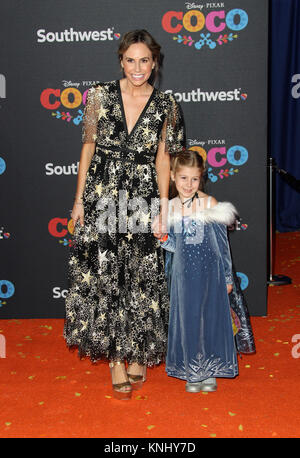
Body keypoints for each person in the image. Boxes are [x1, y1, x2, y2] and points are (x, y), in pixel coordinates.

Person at [64, 29, 185, 400]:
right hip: (102, 195)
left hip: (143, 198)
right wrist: (79, 200)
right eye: (130, 60)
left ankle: (137, 351)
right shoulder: (98, 95)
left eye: (144, 60)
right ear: (121, 60)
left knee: (139, 277)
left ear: (155, 63)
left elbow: (165, 159)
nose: (137, 67)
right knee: (107, 275)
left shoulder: (168, 104)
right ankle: (117, 358)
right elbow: (88, 148)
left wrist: (163, 207)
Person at [154, 149, 254, 392]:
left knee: (209, 320)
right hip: (183, 276)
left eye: (195, 179)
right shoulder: (171, 208)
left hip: (211, 273)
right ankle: (192, 370)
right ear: (173, 178)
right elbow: (173, 247)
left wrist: (228, 278)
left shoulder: (210, 204)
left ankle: (210, 370)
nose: (189, 185)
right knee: (188, 321)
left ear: (202, 178)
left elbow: (222, 246)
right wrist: (162, 236)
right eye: (183, 178)